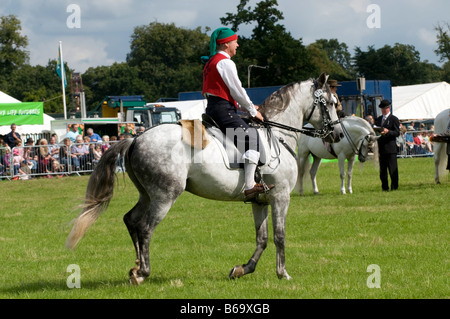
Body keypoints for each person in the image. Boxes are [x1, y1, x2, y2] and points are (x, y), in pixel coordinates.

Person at [201, 27, 273, 201]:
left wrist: (241, 107)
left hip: (214, 108)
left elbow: (222, 94)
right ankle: (249, 186)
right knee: (252, 138)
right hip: (223, 111)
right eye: (235, 41)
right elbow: (238, 90)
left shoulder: (211, 62)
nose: (237, 45)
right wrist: (252, 110)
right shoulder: (225, 62)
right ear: (226, 44)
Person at [374, 100, 400, 191]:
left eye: (385, 108)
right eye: (382, 109)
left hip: (390, 148)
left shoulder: (394, 119)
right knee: (383, 171)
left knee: (392, 169)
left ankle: (394, 187)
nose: (384, 110)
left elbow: (397, 133)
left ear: (389, 108)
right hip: (381, 147)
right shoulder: (378, 119)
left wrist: (388, 132)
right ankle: (384, 187)